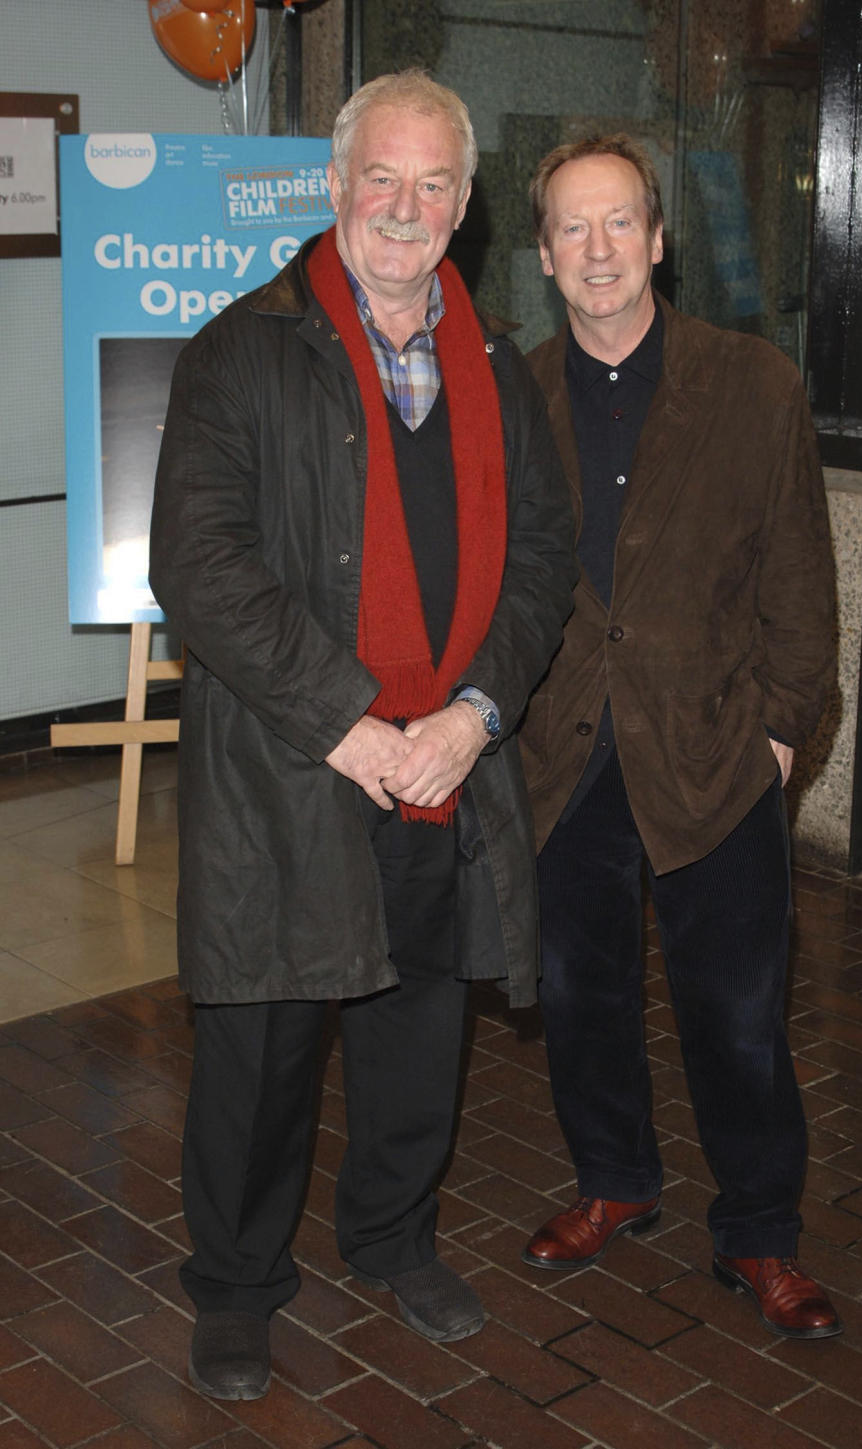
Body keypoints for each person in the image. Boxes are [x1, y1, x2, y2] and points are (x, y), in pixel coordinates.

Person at [149, 70, 575, 1401]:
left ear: (464, 205)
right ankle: (235, 1286)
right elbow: (198, 563)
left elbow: (544, 560)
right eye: (380, 178)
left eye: (433, 182)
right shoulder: (243, 350)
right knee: (263, 1052)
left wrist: (471, 712)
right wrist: (349, 723)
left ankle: (394, 1237)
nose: (404, 206)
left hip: (447, 765)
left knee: (417, 1030)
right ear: (335, 190)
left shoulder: (497, 362)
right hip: (293, 768)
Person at [517, 135, 842, 1340]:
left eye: (618, 225)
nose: (597, 250)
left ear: (658, 240)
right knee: (578, 992)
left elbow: (803, 588)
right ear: (546, 255)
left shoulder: (755, 384)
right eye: (571, 229)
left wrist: (775, 737)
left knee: (740, 1014)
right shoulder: (518, 390)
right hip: (567, 752)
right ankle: (615, 1181)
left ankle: (761, 1235)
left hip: (712, 754)